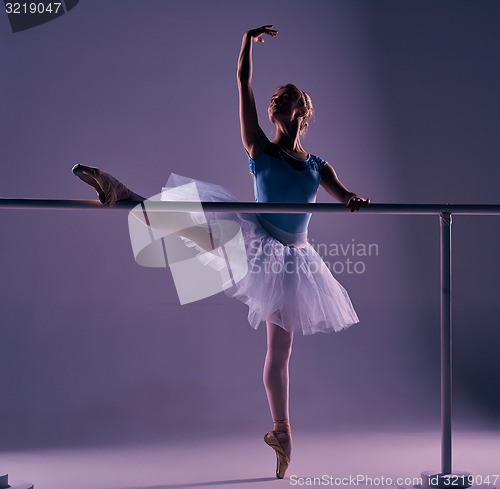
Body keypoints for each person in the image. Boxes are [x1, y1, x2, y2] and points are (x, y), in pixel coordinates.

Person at [72, 25, 369, 480]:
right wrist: (246, 45)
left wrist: (353, 200)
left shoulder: (316, 165)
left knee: (279, 352)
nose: (275, 102)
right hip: (255, 240)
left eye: (285, 98)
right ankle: (123, 195)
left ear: (301, 110)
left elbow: (344, 194)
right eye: (274, 99)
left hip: (292, 259)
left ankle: (282, 433)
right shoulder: (260, 150)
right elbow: (243, 85)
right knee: (190, 221)